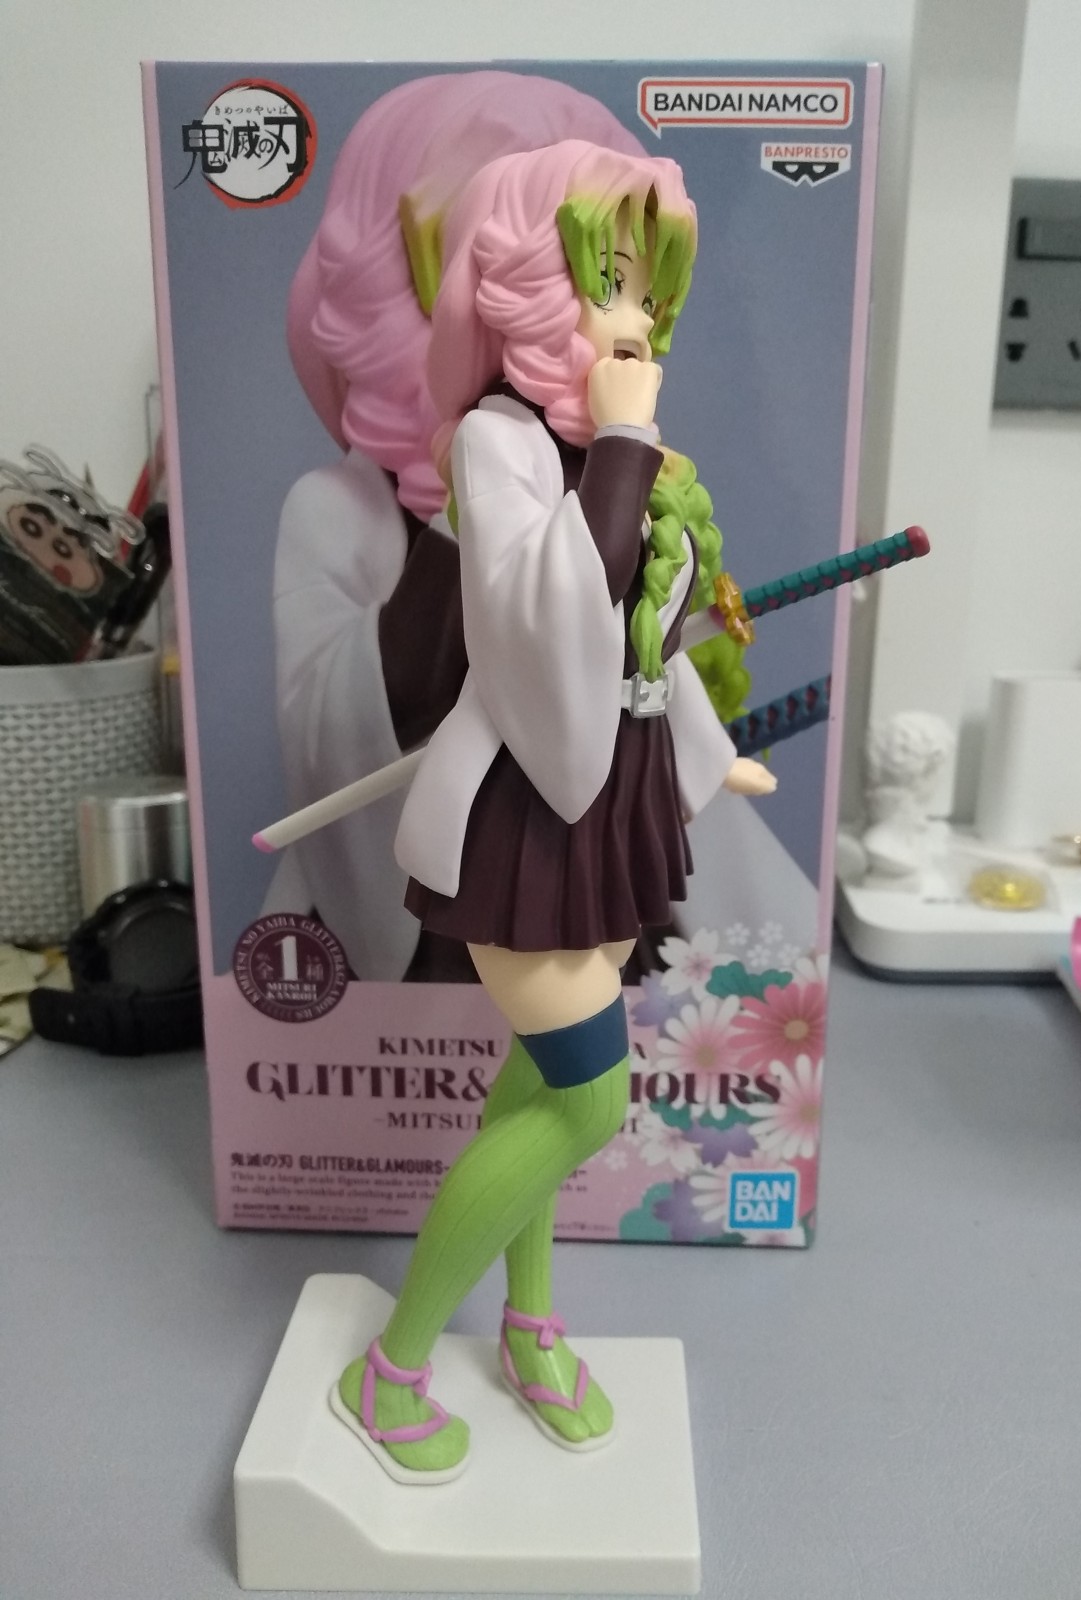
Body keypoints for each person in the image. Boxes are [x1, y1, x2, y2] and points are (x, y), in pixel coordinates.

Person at [331, 140, 777, 1482]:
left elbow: (640, 641)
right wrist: (627, 445)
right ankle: (392, 1366)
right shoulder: (501, 441)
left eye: (652, 289)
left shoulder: (601, 451)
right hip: (527, 816)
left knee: (533, 1085)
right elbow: (544, 628)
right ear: (528, 284)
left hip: (609, 804)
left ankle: (529, 1328)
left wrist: (707, 745)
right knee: (586, 1105)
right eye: (610, 280)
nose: (638, 319)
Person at [269, 74, 647, 981]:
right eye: (480, 262)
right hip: (430, 911)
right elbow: (329, 732)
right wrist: (466, 511)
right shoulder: (339, 511)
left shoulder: (612, 477)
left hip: (584, 868)